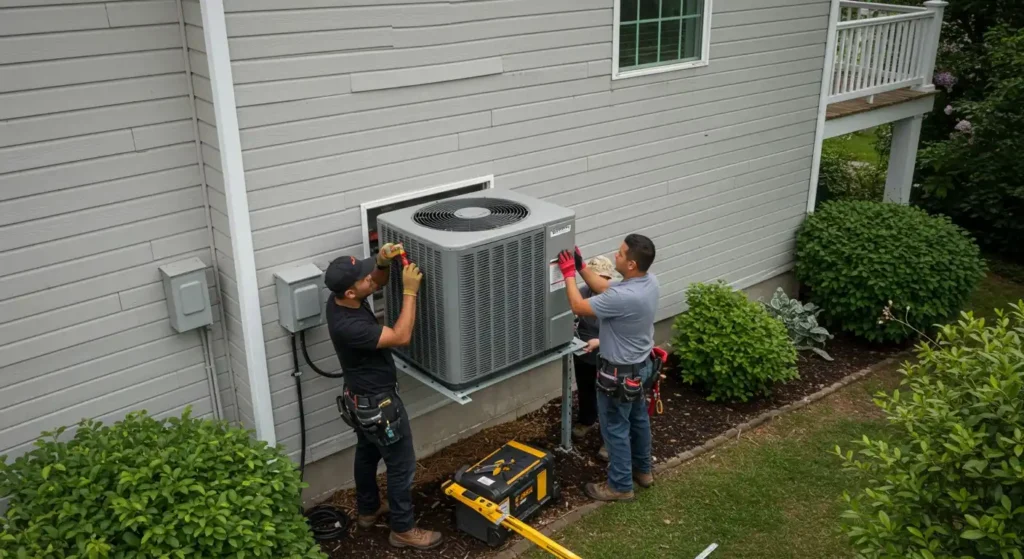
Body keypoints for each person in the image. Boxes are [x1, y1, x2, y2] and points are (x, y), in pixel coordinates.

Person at [324, 243, 443, 550]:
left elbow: (377, 280)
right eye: (364, 278)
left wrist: (381, 262)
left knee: (367, 452)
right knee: (401, 464)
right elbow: (401, 337)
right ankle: (403, 529)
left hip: (357, 397)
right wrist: (411, 291)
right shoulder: (350, 327)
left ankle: (367, 510)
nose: (371, 280)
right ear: (351, 292)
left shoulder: (339, 300)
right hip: (379, 404)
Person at [557, 234, 660, 502]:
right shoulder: (648, 282)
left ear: (631, 265)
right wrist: (581, 267)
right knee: (638, 419)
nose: (616, 255)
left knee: (614, 427)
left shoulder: (624, 297)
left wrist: (568, 275)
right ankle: (643, 471)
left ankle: (620, 485)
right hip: (641, 367)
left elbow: (579, 306)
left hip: (619, 375)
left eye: (621, 254)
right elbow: (606, 288)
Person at [571, 255, 620, 445]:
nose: (598, 282)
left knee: (610, 396)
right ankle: (587, 420)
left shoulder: (617, 297)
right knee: (586, 389)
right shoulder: (582, 292)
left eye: (604, 278)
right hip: (585, 352)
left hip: (609, 353)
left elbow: (621, 331)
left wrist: (599, 341)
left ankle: (609, 440)